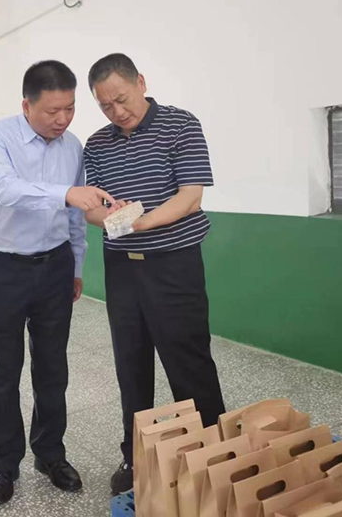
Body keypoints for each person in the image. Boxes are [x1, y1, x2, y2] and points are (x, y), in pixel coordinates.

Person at [82, 53, 226, 496]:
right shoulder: (97, 144)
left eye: (122, 99)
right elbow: (91, 209)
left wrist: (141, 222)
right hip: (122, 269)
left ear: (141, 82)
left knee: (189, 360)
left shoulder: (181, 125)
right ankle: (135, 455)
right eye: (105, 105)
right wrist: (111, 217)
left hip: (173, 264)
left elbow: (191, 196)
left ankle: (214, 452)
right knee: (131, 363)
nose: (116, 111)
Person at [0, 60, 114, 505]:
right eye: (52, 111)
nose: (62, 119)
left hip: (55, 265)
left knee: (52, 367)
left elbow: (76, 216)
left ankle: (50, 453)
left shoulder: (73, 147)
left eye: (70, 109)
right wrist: (66, 193)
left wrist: (76, 266)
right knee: (4, 369)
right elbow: (7, 190)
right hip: (4, 266)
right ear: (27, 106)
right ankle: (5, 463)